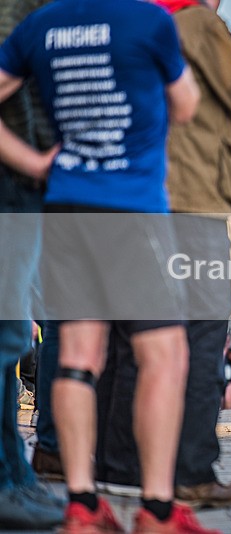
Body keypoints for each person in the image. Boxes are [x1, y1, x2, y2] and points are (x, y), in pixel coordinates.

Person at [0, 0, 216, 531]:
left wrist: (30, 161)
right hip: (133, 210)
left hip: (66, 206)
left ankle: (81, 504)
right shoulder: (149, 22)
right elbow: (186, 106)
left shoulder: (42, 25)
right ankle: (158, 510)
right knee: (164, 356)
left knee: (76, 356)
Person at [90, 0, 231, 510]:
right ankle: (190, 472)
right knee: (201, 339)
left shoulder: (140, 19)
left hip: (138, 196)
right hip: (192, 207)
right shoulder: (198, 20)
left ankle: (119, 469)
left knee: (132, 339)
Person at [0, 0, 64, 528]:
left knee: (14, 334)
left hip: (25, 188)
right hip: (12, 181)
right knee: (7, 335)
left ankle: (14, 473)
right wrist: (34, 161)